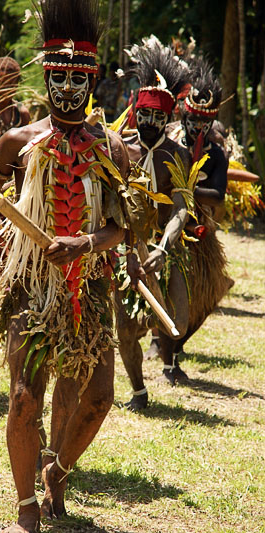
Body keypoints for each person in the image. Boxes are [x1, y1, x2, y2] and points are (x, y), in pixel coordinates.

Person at [0, 0, 129, 533]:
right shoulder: (18, 143)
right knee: (23, 396)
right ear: (46, 75)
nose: (67, 87)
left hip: (88, 284)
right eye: (57, 75)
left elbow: (121, 226)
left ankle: (56, 468)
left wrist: (85, 241)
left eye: (78, 76)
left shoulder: (110, 149)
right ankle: (24, 504)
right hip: (30, 285)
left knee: (99, 396)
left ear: (93, 79)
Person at [143, 54, 233, 391]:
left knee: (207, 293)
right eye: (193, 119)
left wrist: (188, 186)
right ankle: (160, 343)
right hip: (163, 224)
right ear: (184, 113)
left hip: (199, 231)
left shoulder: (216, 154)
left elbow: (219, 196)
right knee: (159, 286)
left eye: (204, 122)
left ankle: (174, 346)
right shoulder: (167, 141)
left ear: (211, 123)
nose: (198, 127)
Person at [114, 37, 193, 410]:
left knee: (173, 320)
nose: (148, 122)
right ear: (135, 113)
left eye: (157, 117)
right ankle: (138, 391)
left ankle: (169, 360)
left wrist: (164, 246)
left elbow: (180, 207)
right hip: (121, 248)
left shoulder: (176, 155)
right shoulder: (118, 148)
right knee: (124, 329)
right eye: (143, 115)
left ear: (167, 118)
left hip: (164, 248)